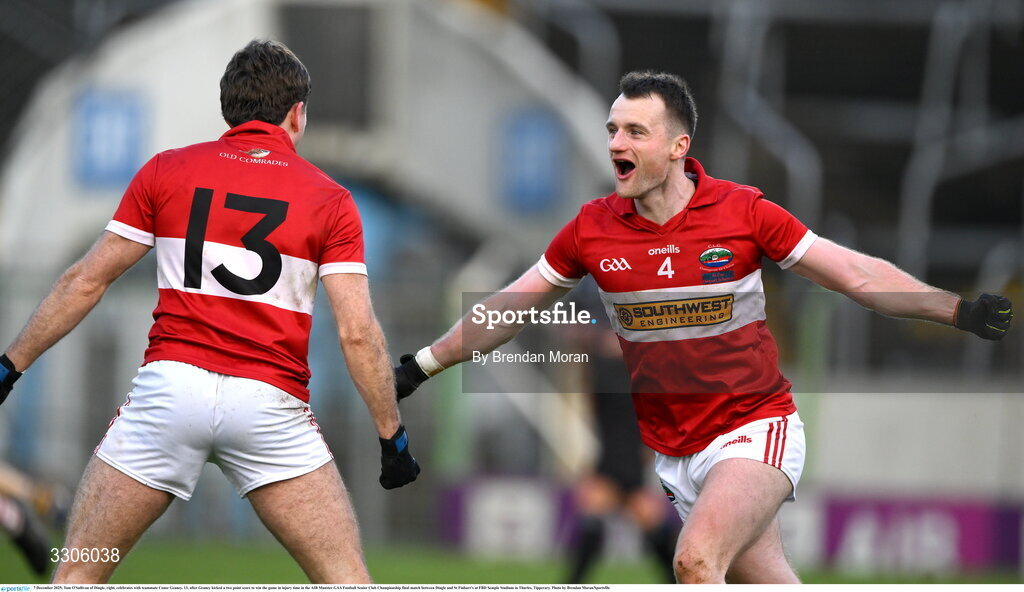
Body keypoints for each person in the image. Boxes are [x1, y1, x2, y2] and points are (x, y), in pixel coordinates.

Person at [392, 70, 1013, 584]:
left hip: (754, 429)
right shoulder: (591, 228)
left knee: (693, 561)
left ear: (678, 146)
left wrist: (954, 309)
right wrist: (422, 365)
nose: (617, 144)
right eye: (612, 130)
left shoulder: (744, 211)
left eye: (636, 131)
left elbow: (854, 273)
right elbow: (507, 307)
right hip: (675, 454)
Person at [0, 39, 419, 584]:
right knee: (346, 581)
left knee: (78, 574)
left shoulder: (166, 172)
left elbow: (85, 281)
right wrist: (392, 437)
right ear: (296, 114)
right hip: (269, 406)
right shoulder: (330, 200)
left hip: (170, 393)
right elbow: (358, 335)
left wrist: (10, 366)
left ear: (229, 109)